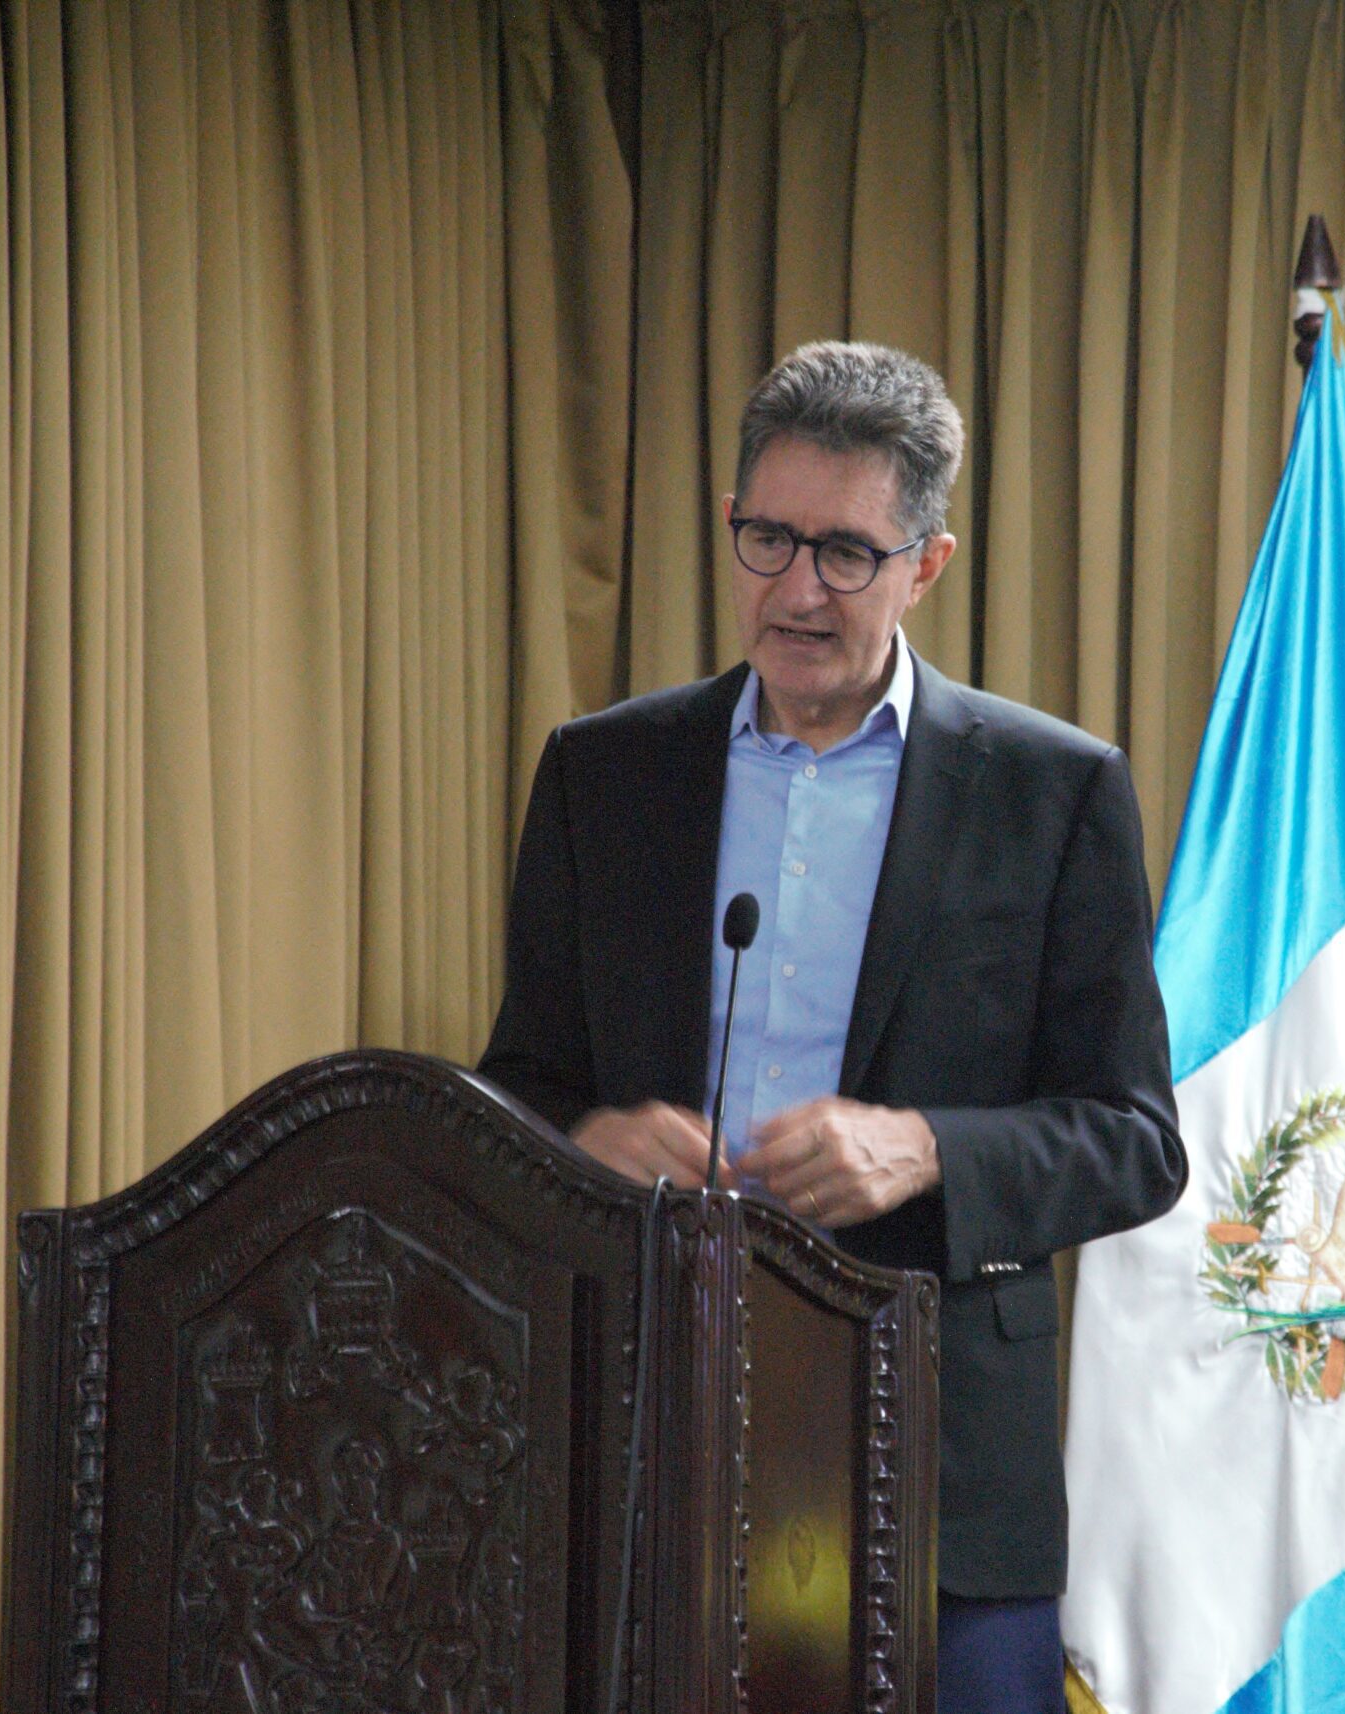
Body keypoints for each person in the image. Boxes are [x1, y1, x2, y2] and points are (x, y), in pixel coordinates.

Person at [479, 341, 1185, 1714]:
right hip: (643, 1435)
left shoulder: (1050, 792)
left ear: (928, 565)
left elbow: (1135, 1141)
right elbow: (520, 1082)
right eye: (770, 539)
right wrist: (587, 1137)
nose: (798, 589)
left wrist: (926, 1149)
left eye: (848, 554)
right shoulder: (603, 774)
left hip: (935, 1465)